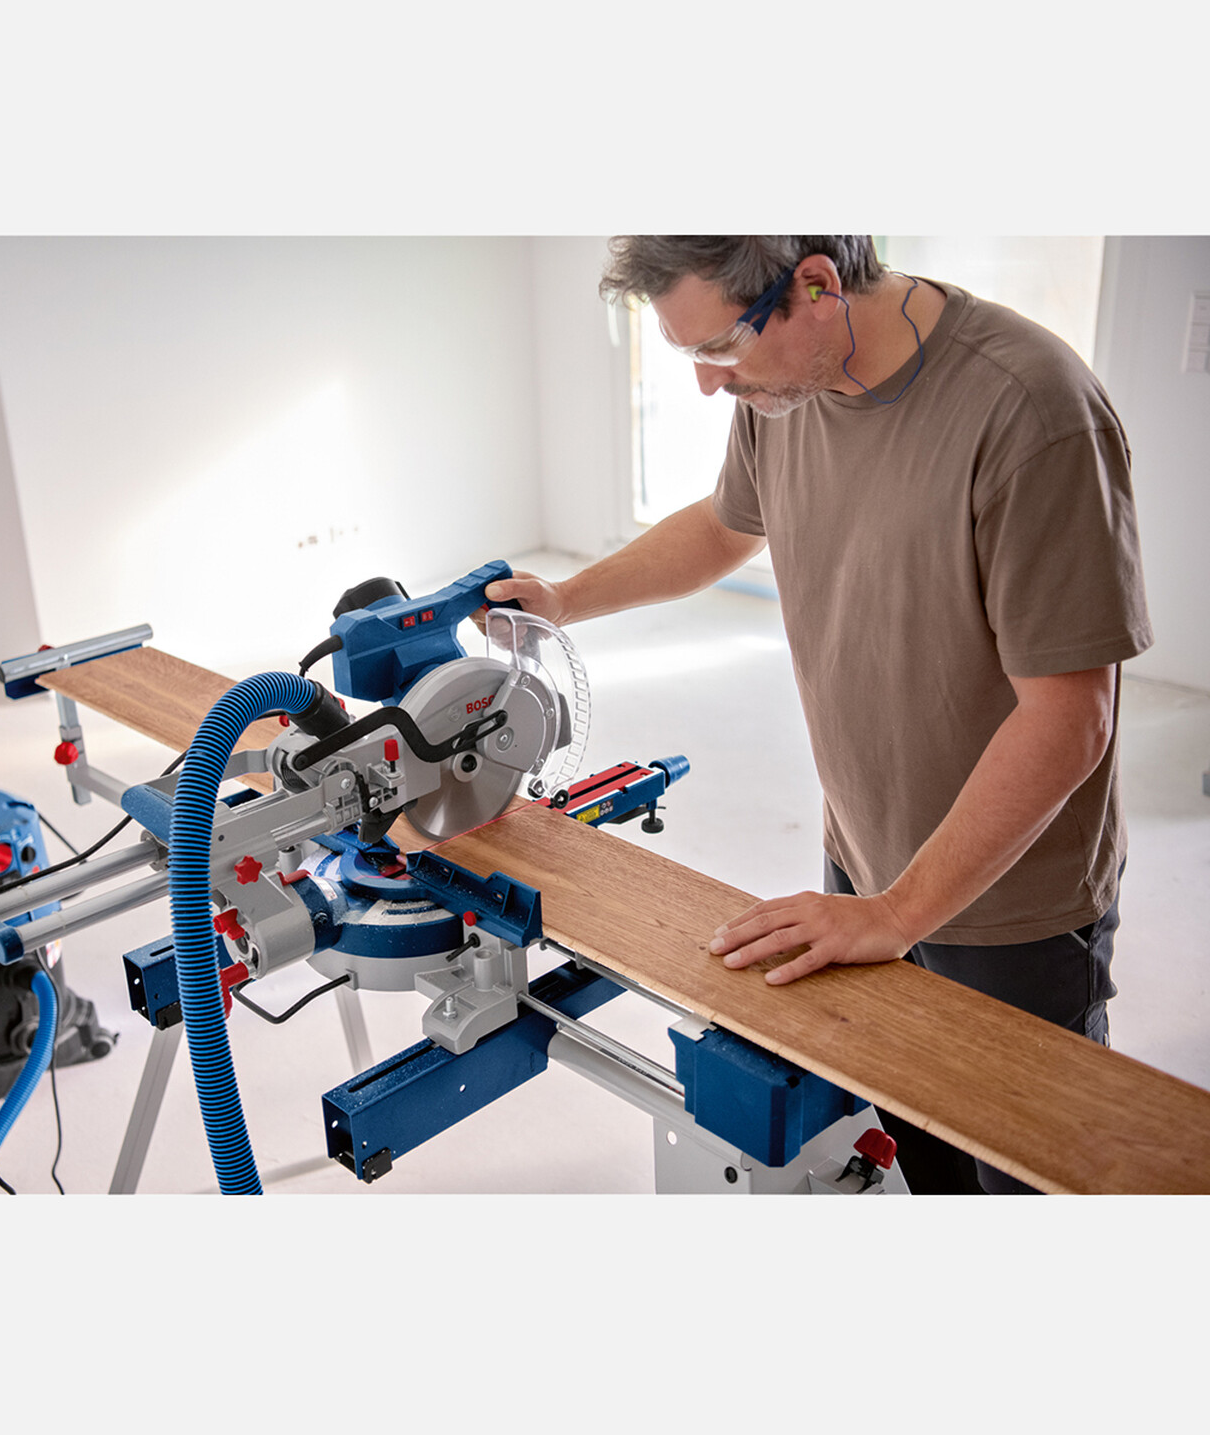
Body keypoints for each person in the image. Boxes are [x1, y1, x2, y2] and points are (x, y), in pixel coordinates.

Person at [487, 236, 1154, 1194]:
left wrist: (898, 914)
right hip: (865, 860)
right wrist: (563, 601)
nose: (710, 385)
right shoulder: (785, 386)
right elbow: (725, 524)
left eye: (720, 348)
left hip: (1012, 908)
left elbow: (1070, 720)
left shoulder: (1032, 410)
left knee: (1028, 1186)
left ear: (816, 284)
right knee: (922, 1158)